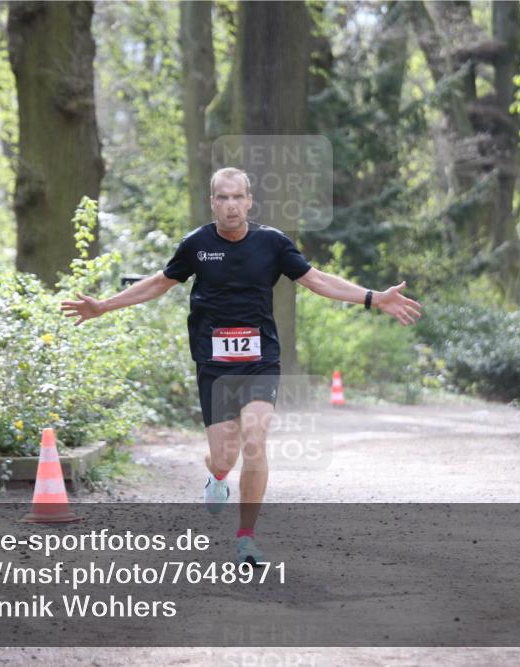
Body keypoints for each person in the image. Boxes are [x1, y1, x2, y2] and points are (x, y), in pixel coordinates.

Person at [61, 167, 422, 565]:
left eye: (238, 197)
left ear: (249, 201)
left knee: (255, 437)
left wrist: (373, 298)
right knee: (223, 458)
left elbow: (318, 280)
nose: (231, 205)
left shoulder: (272, 244)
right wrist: (104, 306)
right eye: (222, 198)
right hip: (214, 364)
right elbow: (159, 283)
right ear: (212, 202)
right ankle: (216, 477)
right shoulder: (196, 245)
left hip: (259, 361)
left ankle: (246, 538)